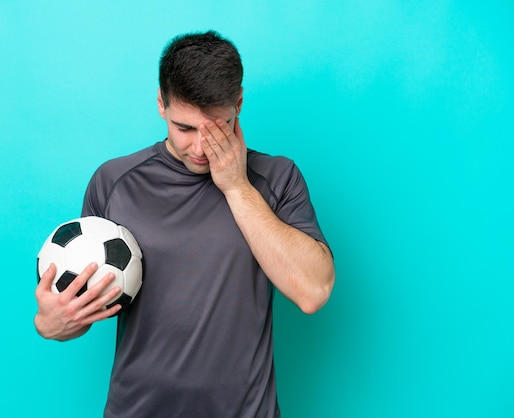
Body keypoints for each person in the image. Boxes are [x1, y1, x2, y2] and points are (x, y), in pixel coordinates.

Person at [34, 30, 335, 417]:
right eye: (185, 128)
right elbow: (80, 312)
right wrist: (51, 321)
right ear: (161, 103)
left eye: (215, 128)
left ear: (239, 103)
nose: (199, 148)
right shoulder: (114, 182)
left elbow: (314, 291)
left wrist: (237, 187)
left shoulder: (277, 178)